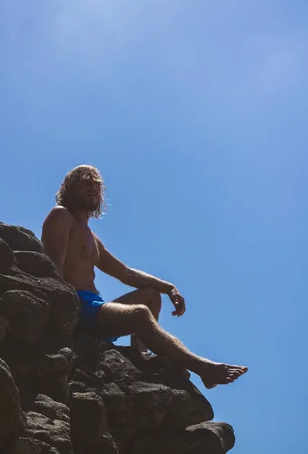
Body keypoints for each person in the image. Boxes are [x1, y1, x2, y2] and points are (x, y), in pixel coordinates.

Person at [42, 164, 247, 389]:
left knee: (150, 295)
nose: (93, 187)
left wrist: (168, 287)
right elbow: (53, 268)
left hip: (95, 308)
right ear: (71, 187)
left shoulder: (91, 236)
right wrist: (59, 320)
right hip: (77, 307)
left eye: (97, 184)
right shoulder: (61, 216)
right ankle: (204, 368)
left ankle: (140, 355)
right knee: (140, 313)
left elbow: (125, 273)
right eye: (85, 182)